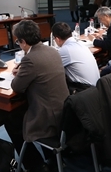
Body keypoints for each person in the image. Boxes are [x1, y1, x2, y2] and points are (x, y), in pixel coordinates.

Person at [6, 20, 68, 172]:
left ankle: (35, 166)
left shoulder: (30, 59)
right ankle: (50, 158)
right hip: (64, 112)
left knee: (11, 121)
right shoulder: (52, 50)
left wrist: (19, 73)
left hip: (48, 117)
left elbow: (17, 87)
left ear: (23, 41)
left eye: (18, 41)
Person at [51, 22, 100, 91]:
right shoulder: (81, 45)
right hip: (96, 87)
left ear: (57, 39)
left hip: (85, 91)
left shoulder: (65, 50)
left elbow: (51, 68)